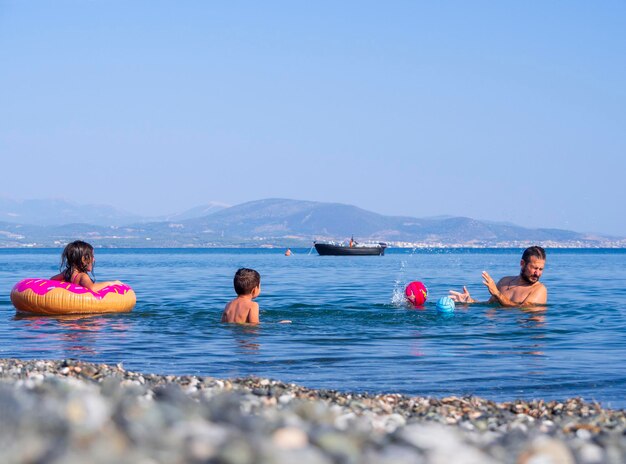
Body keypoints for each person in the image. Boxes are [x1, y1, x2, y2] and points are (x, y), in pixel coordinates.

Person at [449, 246, 547, 307]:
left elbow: (523, 310)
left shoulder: (539, 289)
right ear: (522, 263)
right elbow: (489, 305)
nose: (537, 273)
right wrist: (470, 301)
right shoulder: (504, 282)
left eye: (540, 269)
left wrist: (497, 293)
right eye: (534, 268)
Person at [50, 240, 122, 291]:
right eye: (92, 256)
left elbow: (52, 279)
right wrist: (111, 283)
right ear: (83, 259)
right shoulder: (83, 276)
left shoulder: (67, 273)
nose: (94, 260)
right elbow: (92, 288)